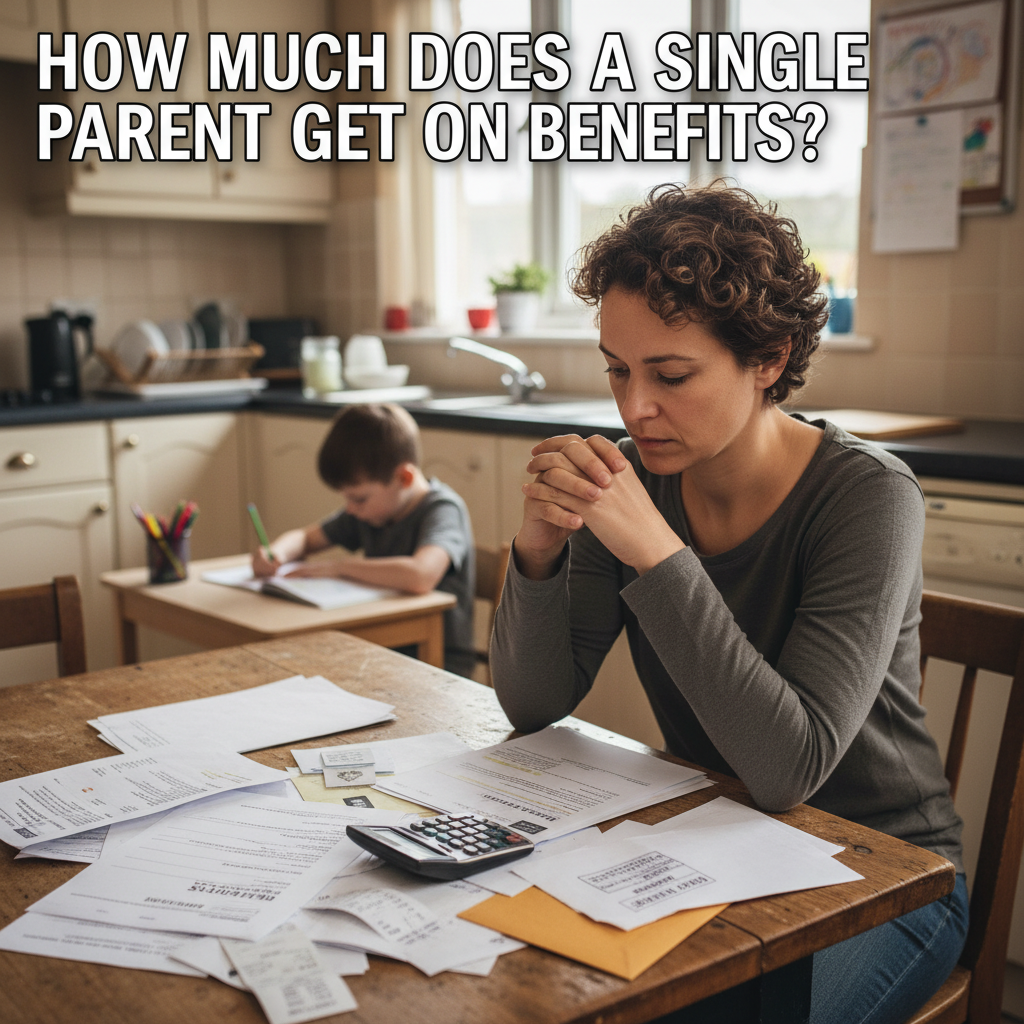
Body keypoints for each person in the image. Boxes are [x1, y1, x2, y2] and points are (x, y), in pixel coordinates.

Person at [490, 183, 967, 1024]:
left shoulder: (867, 497)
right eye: (617, 369)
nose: (635, 407)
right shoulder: (637, 483)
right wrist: (537, 553)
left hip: (886, 871)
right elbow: (535, 703)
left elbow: (788, 769)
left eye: (671, 375)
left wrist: (657, 552)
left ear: (770, 358)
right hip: (715, 840)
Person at [253, 402, 476, 678]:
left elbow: (421, 575)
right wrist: (276, 553)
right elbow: (304, 538)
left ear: (403, 477)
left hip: (438, 665)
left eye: (358, 498)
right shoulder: (370, 512)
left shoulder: (443, 509)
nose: (350, 508)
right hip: (381, 654)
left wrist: (340, 567)